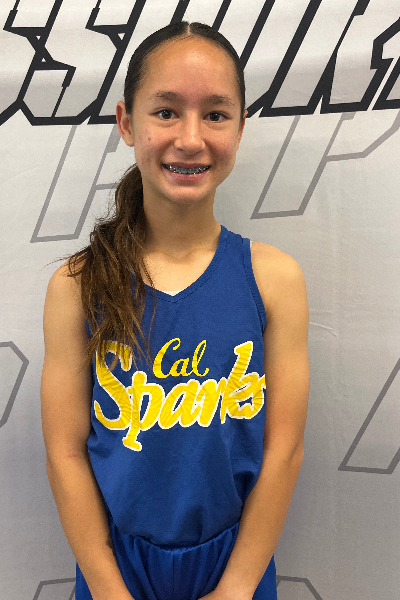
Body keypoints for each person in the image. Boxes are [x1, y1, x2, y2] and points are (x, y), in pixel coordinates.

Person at [41, 21, 309, 600]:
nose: (190, 138)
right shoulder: (76, 285)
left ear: (240, 126)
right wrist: (110, 590)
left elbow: (282, 450)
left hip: (236, 568)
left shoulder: (273, 279)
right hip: (115, 571)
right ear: (125, 122)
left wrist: (235, 588)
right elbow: (65, 452)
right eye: (166, 112)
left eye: (215, 114)